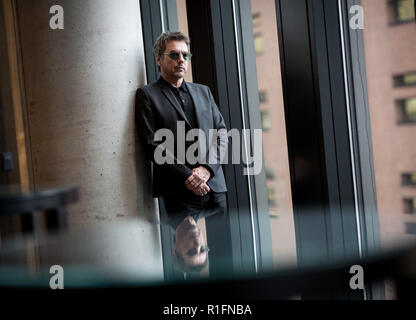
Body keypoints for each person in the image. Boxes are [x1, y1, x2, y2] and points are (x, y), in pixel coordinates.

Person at [135, 31, 228, 273]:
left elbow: (222, 134)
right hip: (178, 190)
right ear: (158, 59)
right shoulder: (147, 95)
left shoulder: (203, 91)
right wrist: (188, 175)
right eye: (174, 55)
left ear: (176, 249)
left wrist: (206, 170)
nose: (181, 60)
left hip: (213, 186)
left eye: (185, 55)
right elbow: (151, 143)